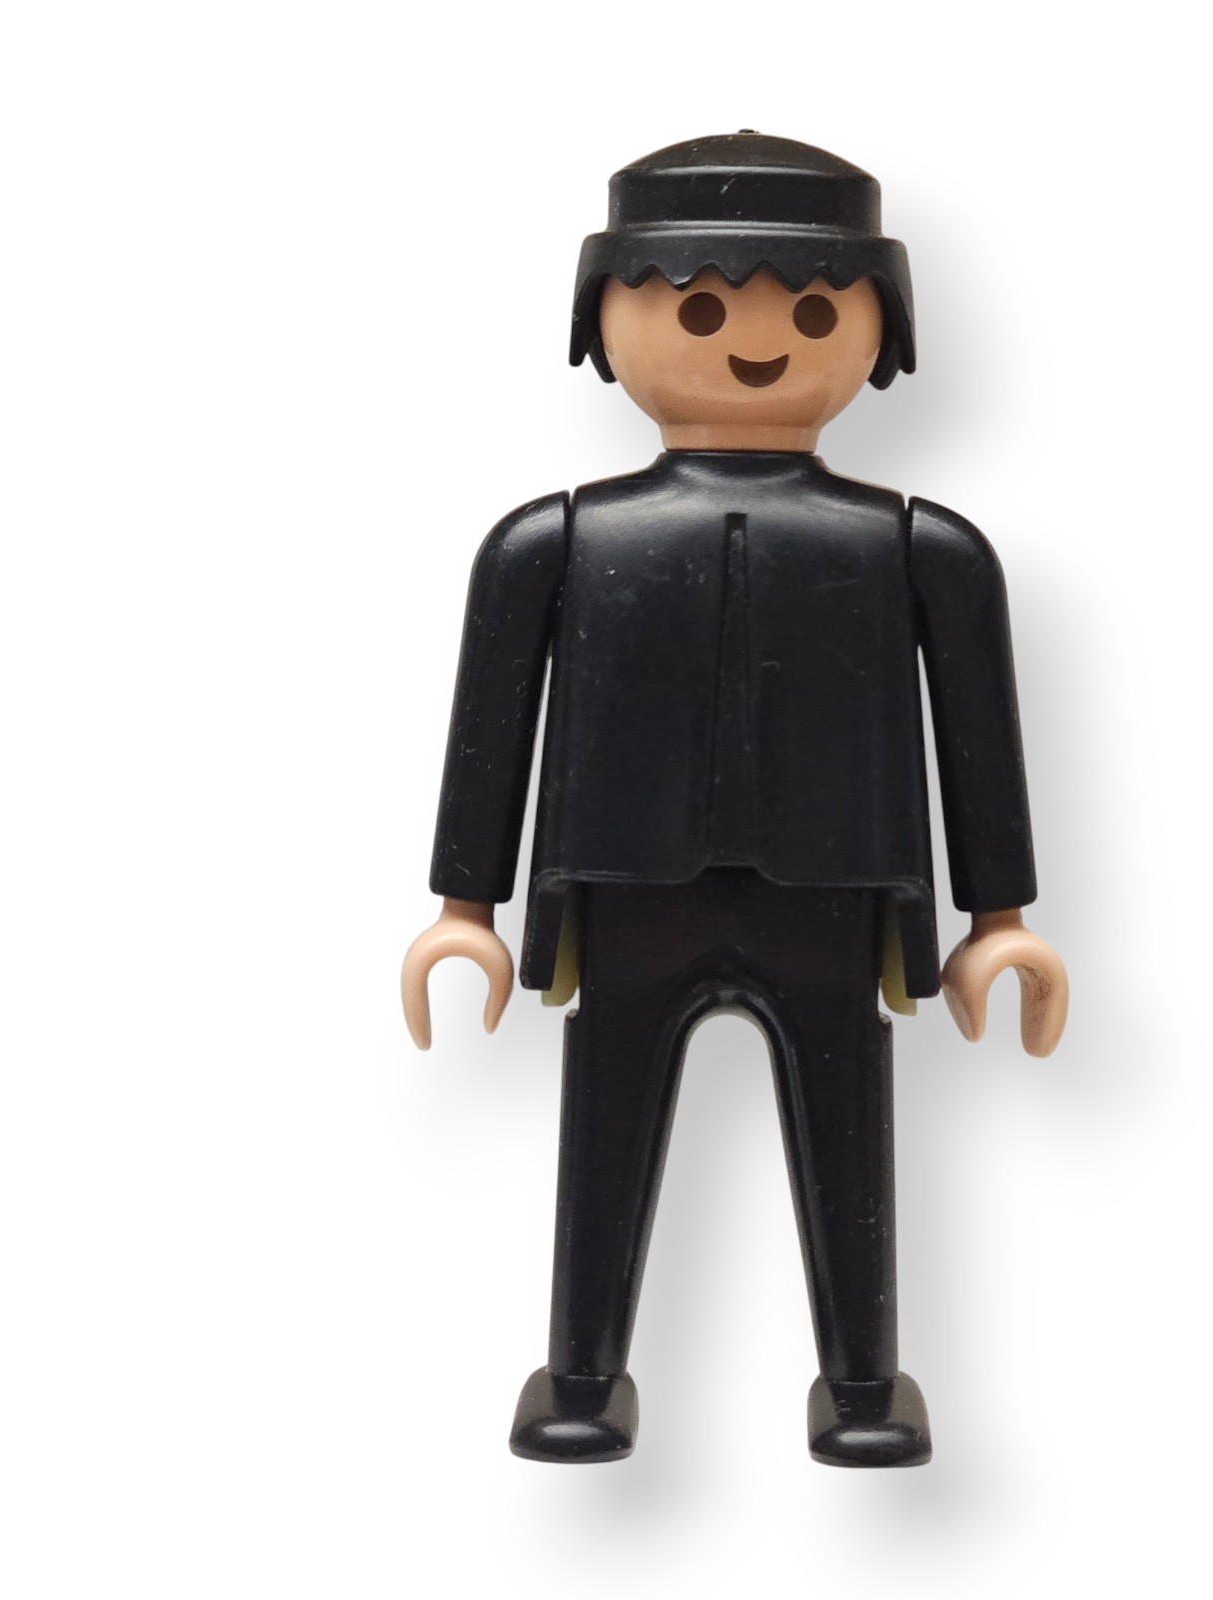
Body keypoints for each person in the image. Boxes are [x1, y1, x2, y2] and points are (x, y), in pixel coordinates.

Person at [401, 132, 1068, 1467]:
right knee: (603, 1136)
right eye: (699, 311)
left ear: (878, 331)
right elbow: (491, 725)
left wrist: (1000, 920)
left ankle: (863, 1384)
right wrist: (463, 908)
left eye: (813, 314)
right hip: (622, 889)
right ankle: (583, 1375)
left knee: (849, 1141)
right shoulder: (552, 543)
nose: (756, 344)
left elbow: (978, 734)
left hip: (837, 894)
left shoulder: (922, 549)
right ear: (606, 320)